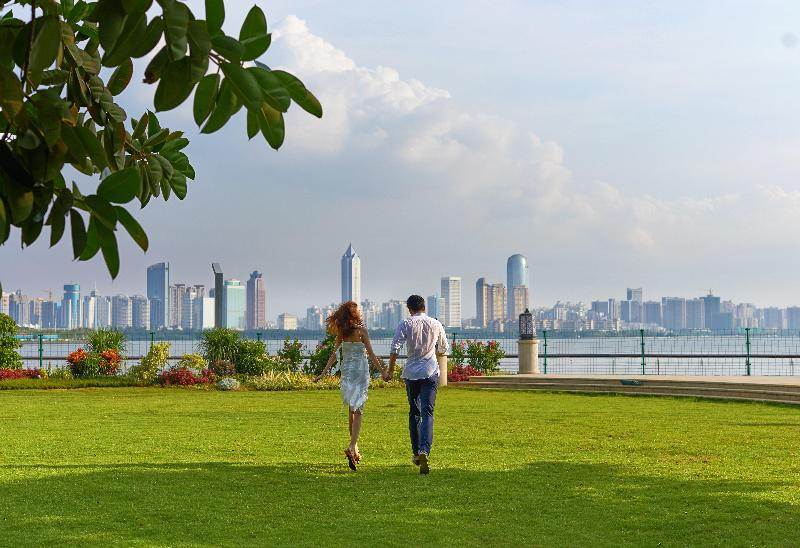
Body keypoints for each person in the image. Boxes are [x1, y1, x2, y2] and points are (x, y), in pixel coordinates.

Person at [314, 301, 385, 471]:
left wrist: (323, 374)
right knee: (359, 409)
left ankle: (355, 447)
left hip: (347, 373)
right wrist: (383, 371)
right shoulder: (361, 332)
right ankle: (352, 447)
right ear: (355, 314)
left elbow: (333, 356)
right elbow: (372, 355)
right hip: (360, 373)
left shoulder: (342, 333)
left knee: (352, 409)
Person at [384, 295, 449, 475]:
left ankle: (415, 453)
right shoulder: (436, 324)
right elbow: (443, 348)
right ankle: (424, 450)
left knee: (414, 413)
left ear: (409, 308)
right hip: (430, 372)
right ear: (424, 306)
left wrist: (389, 370)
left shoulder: (405, 323)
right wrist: (431, 350)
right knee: (428, 413)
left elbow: (394, 348)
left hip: (412, 373)